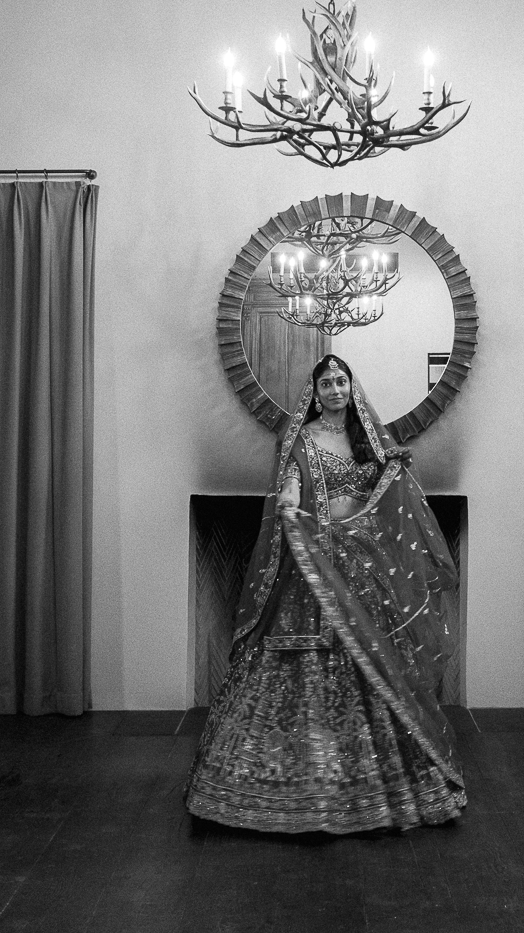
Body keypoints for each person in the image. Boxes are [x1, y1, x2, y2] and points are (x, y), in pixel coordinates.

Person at [185, 354, 466, 833]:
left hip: (365, 561)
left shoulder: (370, 440)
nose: (335, 389)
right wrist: (292, 501)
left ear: (351, 389)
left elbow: (387, 492)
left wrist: (395, 468)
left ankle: (387, 784)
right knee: (296, 654)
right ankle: (279, 781)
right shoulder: (304, 438)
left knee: (374, 661)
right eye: (326, 383)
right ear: (315, 393)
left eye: (341, 381)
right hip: (314, 556)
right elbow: (290, 484)